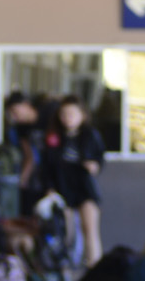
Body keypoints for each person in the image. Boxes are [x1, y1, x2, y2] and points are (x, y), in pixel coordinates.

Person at [39, 95, 105, 267]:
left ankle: (94, 266)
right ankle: (66, 267)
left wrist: (94, 166)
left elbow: (99, 158)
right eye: (64, 114)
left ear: (82, 115)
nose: (67, 118)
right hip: (62, 188)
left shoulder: (90, 135)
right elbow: (46, 166)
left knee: (89, 228)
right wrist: (50, 187)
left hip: (84, 187)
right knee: (66, 232)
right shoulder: (54, 137)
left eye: (72, 114)